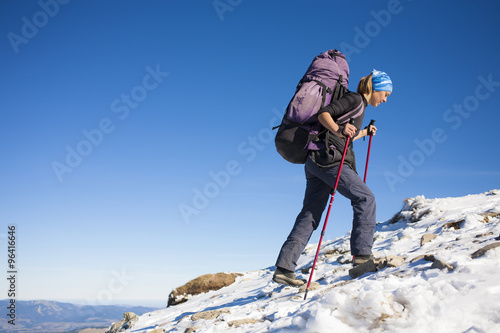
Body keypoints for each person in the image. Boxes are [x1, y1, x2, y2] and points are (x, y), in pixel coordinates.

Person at [273, 69, 393, 286]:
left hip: (316, 161)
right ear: (375, 87)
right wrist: (338, 129)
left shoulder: (358, 106)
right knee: (365, 198)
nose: (385, 99)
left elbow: (347, 132)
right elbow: (324, 115)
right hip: (329, 159)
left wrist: (364, 132)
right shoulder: (355, 99)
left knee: (310, 213)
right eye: (385, 93)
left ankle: (284, 268)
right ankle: (362, 258)